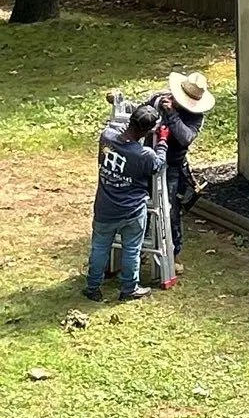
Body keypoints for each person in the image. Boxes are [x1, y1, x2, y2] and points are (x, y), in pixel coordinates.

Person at [85, 102, 163, 302]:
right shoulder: (143, 155)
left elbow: (113, 129)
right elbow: (158, 164)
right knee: (131, 250)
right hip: (132, 211)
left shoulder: (106, 137)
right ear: (148, 131)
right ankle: (129, 289)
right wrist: (162, 142)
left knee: (100, 248)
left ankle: (93, 287)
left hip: (105, 209)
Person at [145, 70, 216, 273]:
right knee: (140, 203)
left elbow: (185, 137)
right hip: (147, 159)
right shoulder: (157, 99)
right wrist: (158, 107)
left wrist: (172, 115)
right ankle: (139, 248)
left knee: (170, 210)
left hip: (172, 167)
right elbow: (141, 115)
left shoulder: (195, 117)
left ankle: (173, 253)